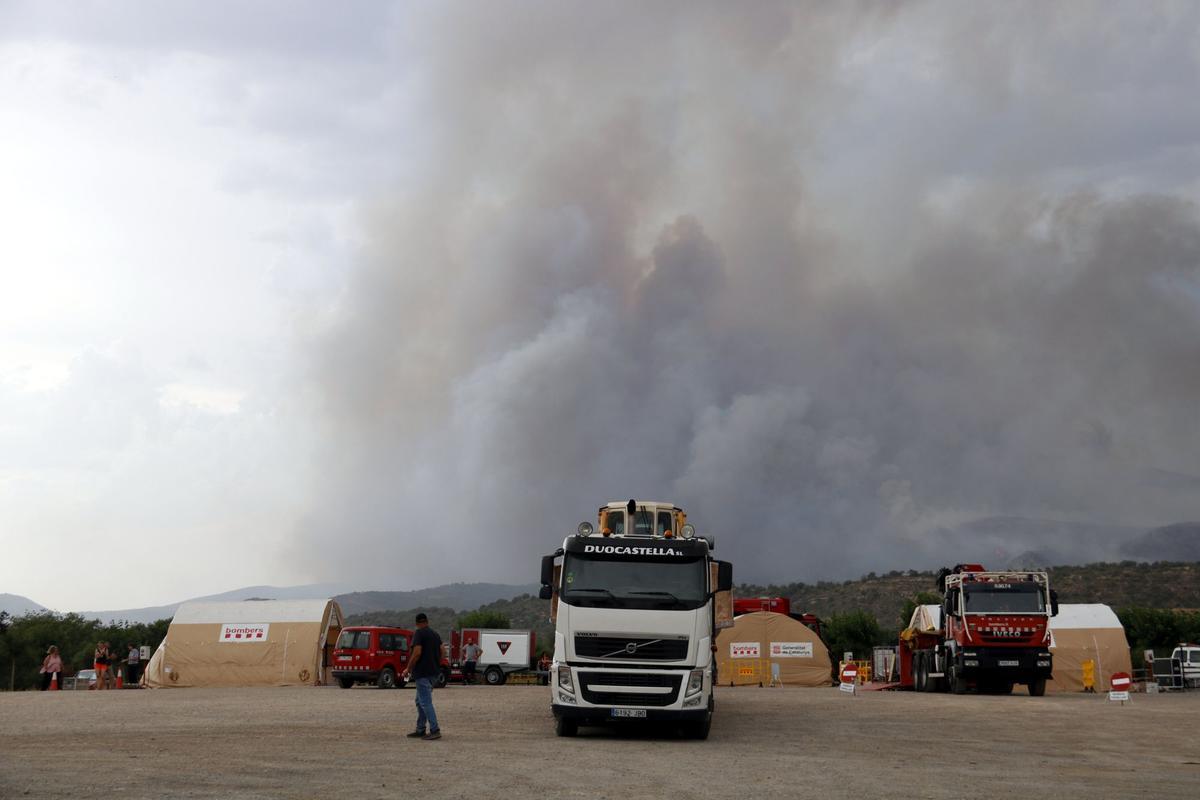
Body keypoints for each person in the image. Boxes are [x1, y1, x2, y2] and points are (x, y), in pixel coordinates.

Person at [401, 613, 442, 740]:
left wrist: (408, 668)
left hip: (422, 673)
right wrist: (435, 663)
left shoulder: (419, 633)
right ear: (427, 621)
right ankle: (420, 729)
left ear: (417, 623)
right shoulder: (435, 634)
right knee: (420, 701)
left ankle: (435, 730)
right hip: (433, 673)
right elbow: (443, 651)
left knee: (425, 702)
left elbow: (417, 652)